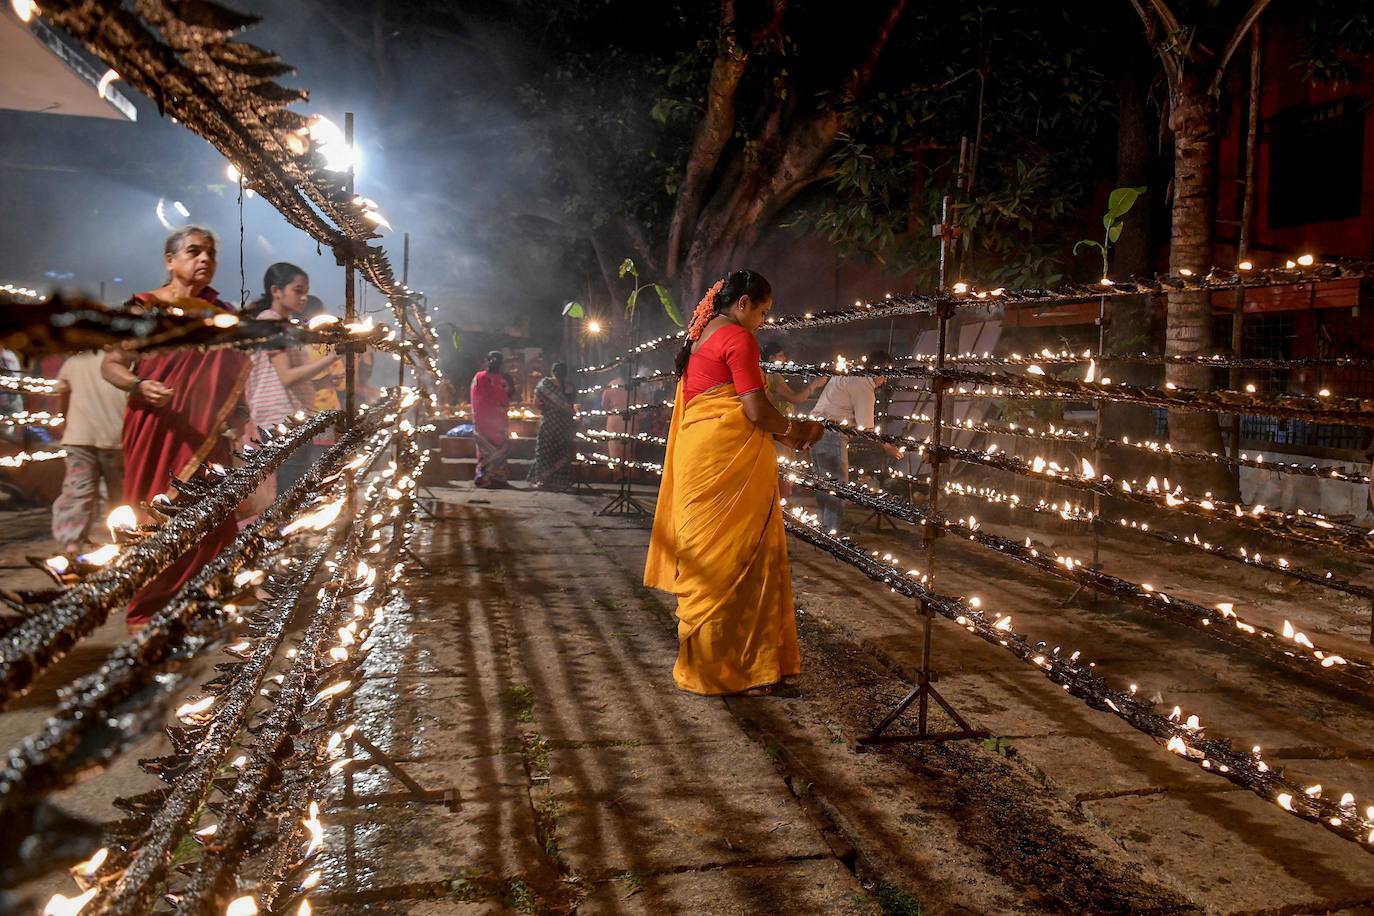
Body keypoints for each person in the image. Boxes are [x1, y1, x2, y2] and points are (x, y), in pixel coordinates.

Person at [644, 269, 823, 697]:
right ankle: (738, 670)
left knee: (713, 562)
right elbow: (757, 411)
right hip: (727, 464)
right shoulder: (738, 338)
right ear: (743, 303)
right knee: (738, 561)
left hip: (700, 459)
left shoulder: (703, 336)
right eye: (762, 311)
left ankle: (725, 666)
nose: (762, 320)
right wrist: (798, 430)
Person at [101, 227, 251, 630]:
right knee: (152, 512)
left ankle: (202, 600)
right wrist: (138, 384)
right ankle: (150, 607)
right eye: (193, 251)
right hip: (154, 425)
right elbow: (110, 365)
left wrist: (236, 412)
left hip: (205, 436)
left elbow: (231, 372)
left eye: (210, 254)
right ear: (170, 261)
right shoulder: (143, 308)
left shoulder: (218, 314)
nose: (204, 260)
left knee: (209, 513)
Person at [245, 263, 341, 492]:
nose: (303, 297)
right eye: (298, 290)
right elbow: (287, 377)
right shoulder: (271, 322)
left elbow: (283, 382)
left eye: (305, 291)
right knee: (286, 494)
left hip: (288, 418)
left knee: (290, 490)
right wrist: (331, 359)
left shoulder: (282, 325)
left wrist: (319, 384)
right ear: (276, 291)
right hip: (279, 422)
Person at [810, 349, 904, 532]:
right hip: (831, 433)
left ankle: (823, 528)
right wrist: (888, 447)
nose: (884, 381)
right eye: (885, 376)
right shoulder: (864, 385)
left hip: (814, 429)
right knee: (838, 486)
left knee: (823, 483)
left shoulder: (850, 373)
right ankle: (831, 533)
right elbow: (866, 429)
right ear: (880, 370)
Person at [50, 352, 127, 552]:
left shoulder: (74, 361)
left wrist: (63, 422)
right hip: (116, 437)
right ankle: (126, 543)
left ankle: (72, 545)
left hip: (79, 437)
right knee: (122, 496)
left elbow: (62, 396)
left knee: (78, 492)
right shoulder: (125, 358)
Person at [759, 342, 824, 500]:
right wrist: (814, 385)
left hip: (773, 429)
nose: (785, 358)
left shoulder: (763, 374)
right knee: (783, 475)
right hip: (781, 431)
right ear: (771, 358)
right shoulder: (773, 375)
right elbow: (796, 398)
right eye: (781, 355)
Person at [528, 362, 576, 491]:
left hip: (550, 423)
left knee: (545, 450)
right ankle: (560, 481)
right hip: (565, 425)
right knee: (562, 451)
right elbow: (572, 406)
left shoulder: (545, 384)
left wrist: (547, 410)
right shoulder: (570, 386)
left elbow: (536, 403)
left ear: (552, 371)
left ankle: (542, 480)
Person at [471, 350, 513, 488]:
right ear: (487, 360)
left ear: (502, 363)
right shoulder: (479, 377)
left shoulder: (505, 378)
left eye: (498, 360)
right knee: (485, 450)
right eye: (492, 359)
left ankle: (499, 478)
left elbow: (510, 395)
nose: (494, 362)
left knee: (501, 449)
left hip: (499, 422)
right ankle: (484, 478)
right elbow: (475, 398)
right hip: (483, 420)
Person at [601, 373, 629, 459]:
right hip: (630, 417)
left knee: (615, 448)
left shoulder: (611, 384)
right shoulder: (634, 385)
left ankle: (616, 470)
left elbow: (604, 405)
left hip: (614, 418)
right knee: (628, 449)